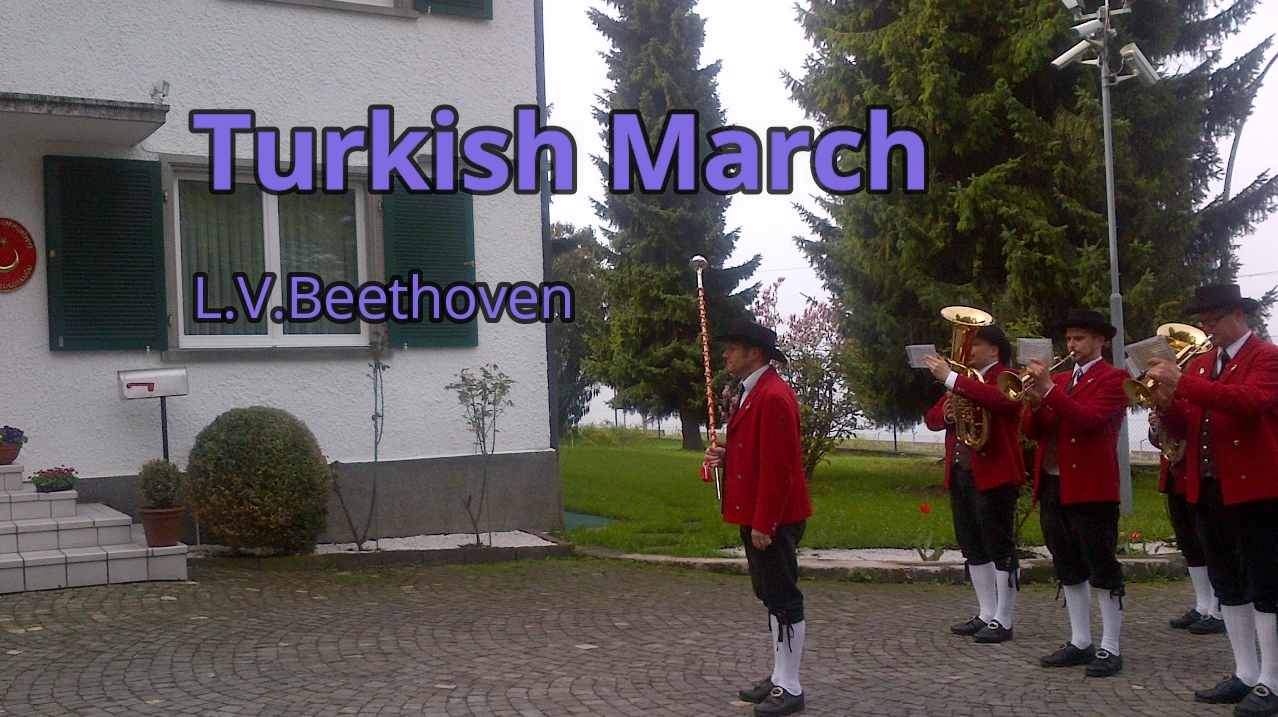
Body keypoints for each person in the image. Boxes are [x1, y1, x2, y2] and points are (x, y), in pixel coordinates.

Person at [1147, 284, 1278, 716]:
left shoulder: (1267, 357)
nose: (1207, 328)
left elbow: (1249, 402)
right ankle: (1245, 673)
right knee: (1228, 584)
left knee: (1265, 585)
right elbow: (1186, 426)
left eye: (1214, 319)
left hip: (1255, 491)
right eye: (1203, 321)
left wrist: (1182, 383)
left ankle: (1272, 681)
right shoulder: (1203, 364)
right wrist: (1166, 406)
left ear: (1240, 315)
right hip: (1207, 489)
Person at [705, 319, 812, 717]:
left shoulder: (773, 396)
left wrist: (765, 523)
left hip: (773, 516)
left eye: (732, 348)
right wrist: (729, 456)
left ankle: (791, 686)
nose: (725, 354)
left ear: (754, 353)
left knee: (783, 598)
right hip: (757, 511)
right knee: (771, 596)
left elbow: (781, 468)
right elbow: (759, 451)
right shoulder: (754, 391)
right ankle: (780, 675)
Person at [1022, 308, 1130, 677]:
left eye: (1079, 338)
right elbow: (1034, 431)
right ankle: (1080, 640)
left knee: (1102, 565)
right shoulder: (1061, 379)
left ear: (1100, 341)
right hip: (1054, 483)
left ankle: (1110, 646)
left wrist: (1049, 391)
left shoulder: (1115, 379)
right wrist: (1036, 401)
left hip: (1092, 487)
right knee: (1067, 564)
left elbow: (1088, 421)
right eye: (1069, 339)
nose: (1072, 345)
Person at [922, 325, 1024, 643]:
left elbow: (1000, 401)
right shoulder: (963, 381)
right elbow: (932, 419)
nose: (970, 350)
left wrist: (951, 378)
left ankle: (1004, 619)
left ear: (994, 350)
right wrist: (948, 414)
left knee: (999, 546)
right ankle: (986, 613)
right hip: (961, 472)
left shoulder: (1007, 377)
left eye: (976, 344)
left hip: (995, 473)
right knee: (973, 546)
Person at [1148, 412, 1224, 634]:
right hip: (1176, 478)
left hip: (1198, 477)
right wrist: (1156, 427)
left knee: (1209, 544)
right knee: (1189, 544)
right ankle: (1202, 605)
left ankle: (1218, 608)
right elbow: (1160, 442)